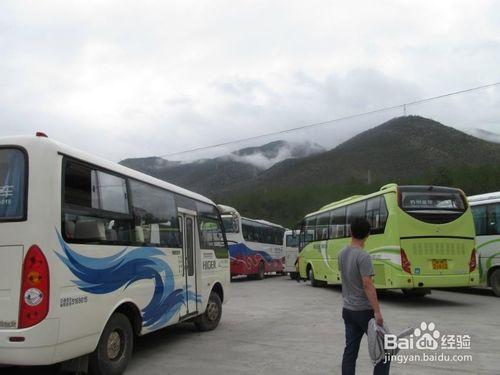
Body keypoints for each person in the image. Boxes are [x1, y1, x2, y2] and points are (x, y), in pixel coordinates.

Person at [338, 217, 390, 375]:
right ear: (368, 234)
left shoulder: (341, 253)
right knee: (385, 349)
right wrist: (377, 312)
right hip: (364, 312)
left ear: (350, 232)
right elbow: (367, 284)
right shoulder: (363, 256)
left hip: (348, 310)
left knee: (350, 352)